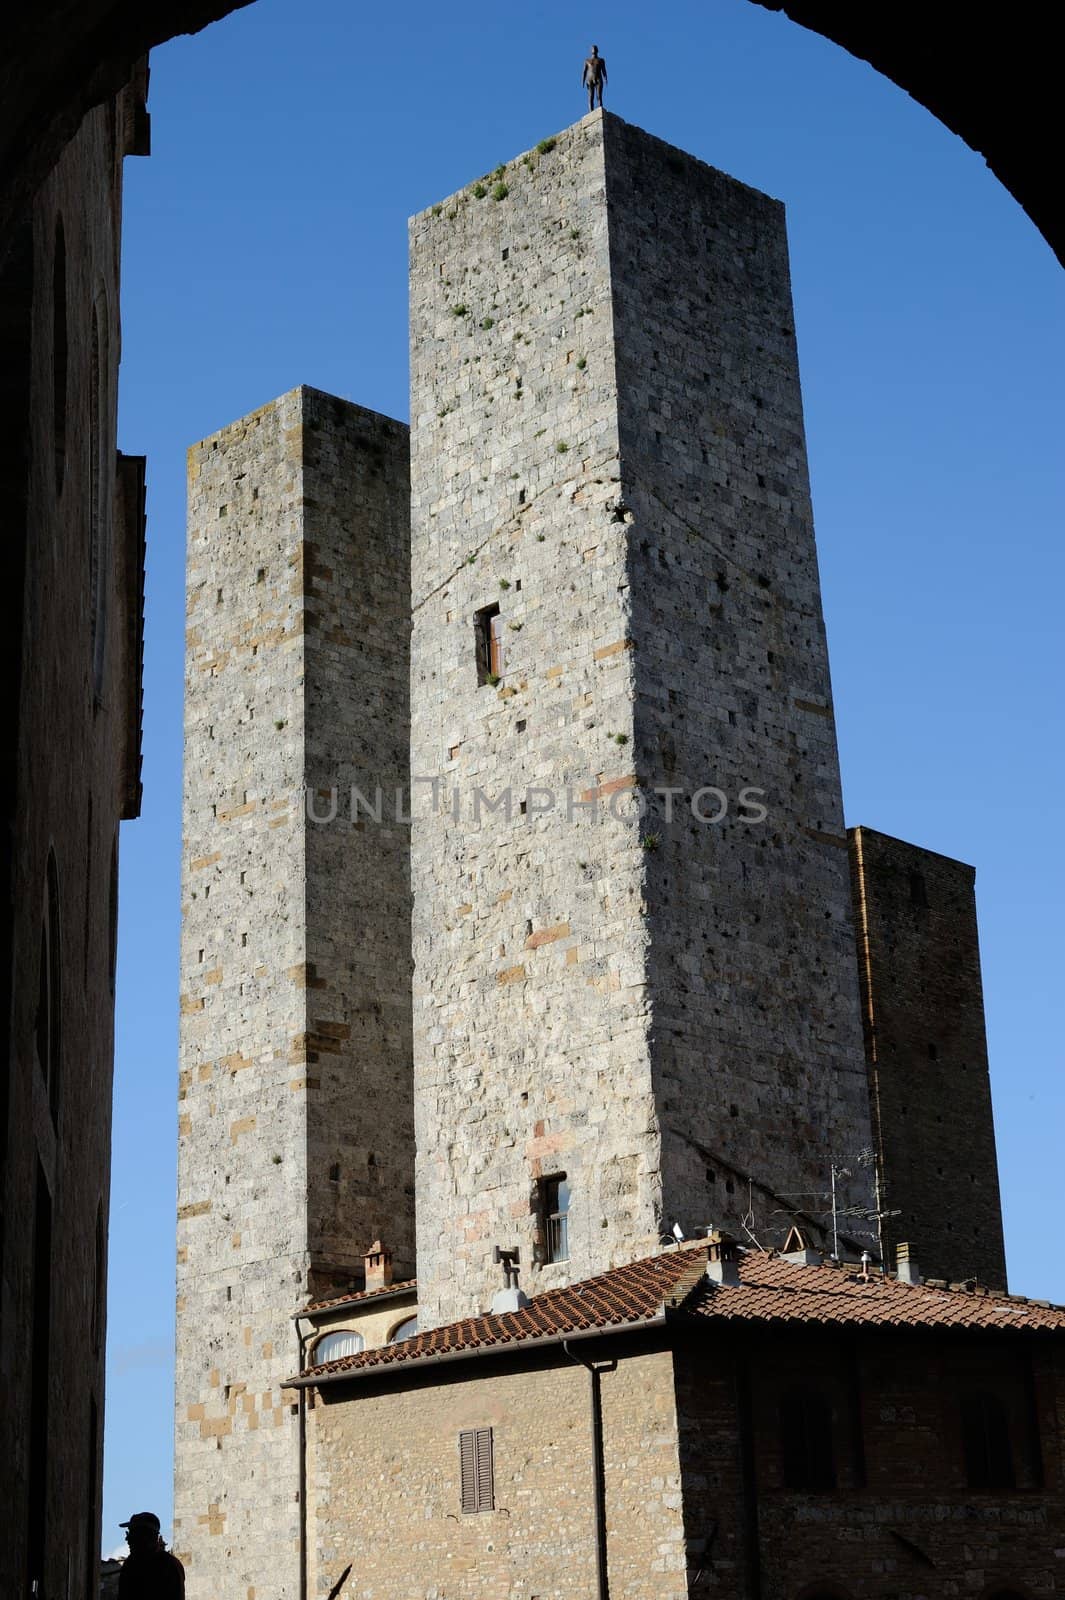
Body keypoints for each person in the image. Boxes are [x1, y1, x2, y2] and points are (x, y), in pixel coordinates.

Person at [117, 1512, 185, 1599]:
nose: (128, 1539)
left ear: (146, 1536)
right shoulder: (130, 1564)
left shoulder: (169, 1565)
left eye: (132, 1533)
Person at [582, 45, 607, 111]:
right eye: (592, 48)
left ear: (597, 50)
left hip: (598, 78)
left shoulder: (601, 60)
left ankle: (599, 109)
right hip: (589, 79)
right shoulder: (587, 60)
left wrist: (605, 79)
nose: (594, 49)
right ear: (591, 51)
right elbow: (584, 71)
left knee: (599, 96)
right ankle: (591, 111)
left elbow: (604, 70)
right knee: (591, 96)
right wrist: (583, 81)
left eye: (595, 48)